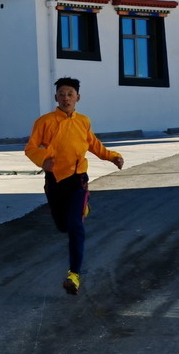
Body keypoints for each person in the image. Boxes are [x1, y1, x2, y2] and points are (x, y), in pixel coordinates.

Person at [25, 77, 123, 296]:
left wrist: (112, 156)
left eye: (70, 94)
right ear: (56, 97)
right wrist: (43, 160)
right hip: (54, 180)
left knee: (75, 225)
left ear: (78, 97)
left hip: (78, 179)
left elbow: (94, 145)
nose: (66, 98)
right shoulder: (45, 122)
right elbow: (31, 147)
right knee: (62, 226)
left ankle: (74, 275)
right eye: (61, 94)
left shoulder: (83, 121)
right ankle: (80, 210)